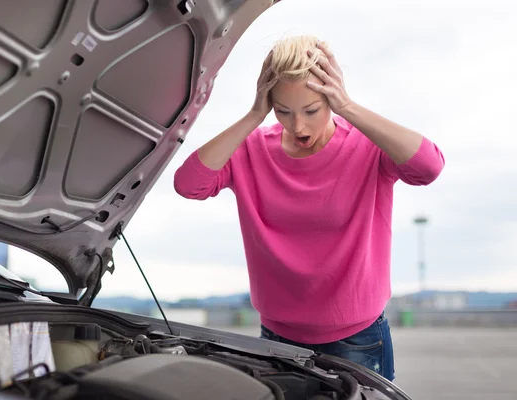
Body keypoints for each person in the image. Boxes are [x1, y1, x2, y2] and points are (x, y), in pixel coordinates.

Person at [173, 35, 445, 381]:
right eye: (283, 111)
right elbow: (188, 185)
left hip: (357, 341)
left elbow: (428, 168)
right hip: (276, 340)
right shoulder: (250, 150)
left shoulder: (368, 147)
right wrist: (255, 115)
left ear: (331, 97)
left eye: (311, 110)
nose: (297, 125)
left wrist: (348, 107)